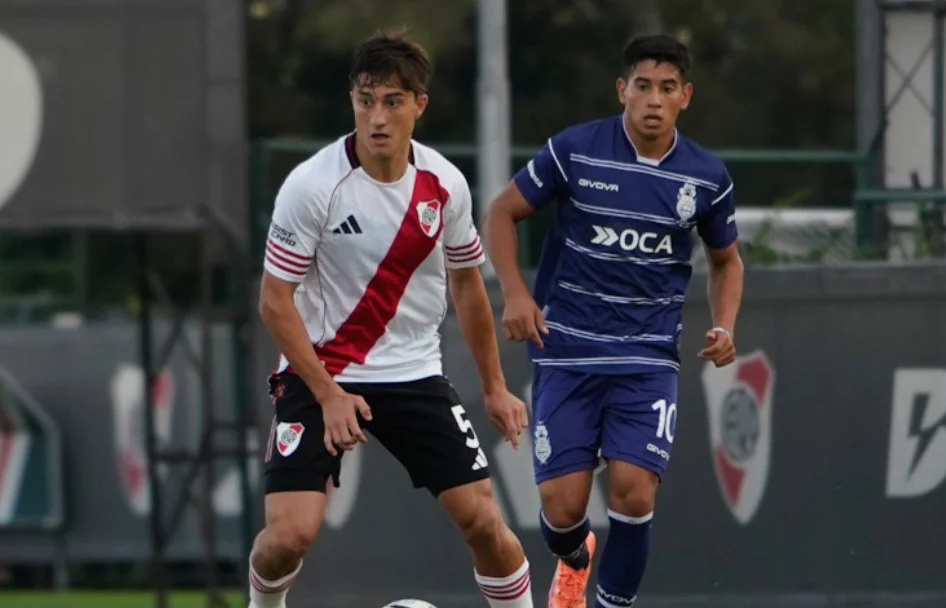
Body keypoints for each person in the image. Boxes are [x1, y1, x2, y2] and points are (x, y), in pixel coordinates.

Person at [250, 31, 535, 608]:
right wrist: (328, 394)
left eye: (393, 101)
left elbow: (467, 286)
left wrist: (496, 389)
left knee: (484, 522)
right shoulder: (311, 186)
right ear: (351, 101)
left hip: (411, 372)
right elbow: (274, 302)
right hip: (319, 370)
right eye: (365, 100)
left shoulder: (444, 185)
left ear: (419, 105)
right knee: (288, 536)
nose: (377, 117)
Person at [482, 34, 745, 608]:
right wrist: (516, 295)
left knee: (632, 491)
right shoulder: (575, 150)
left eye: (667, 88)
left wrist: (724, 325)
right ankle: (575, 559)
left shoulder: (706, 177)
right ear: (623, 90)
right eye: (643, 86)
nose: (653, 99)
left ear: (686, 96)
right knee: (562, 509)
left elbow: (727, 260)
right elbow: (502, 211)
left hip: (647, 358)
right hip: (567, 349)